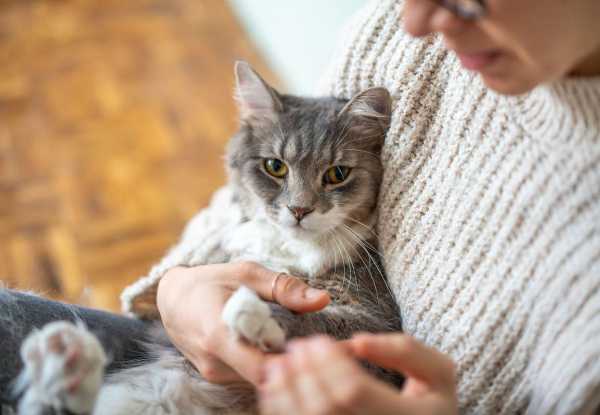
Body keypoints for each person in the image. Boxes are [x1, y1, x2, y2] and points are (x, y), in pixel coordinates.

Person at [1, 0, 599, 414]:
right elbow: (232, 209)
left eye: (466, 0)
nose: (414, 21)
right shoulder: (400, 38)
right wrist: (178, 287)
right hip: (180, 357)